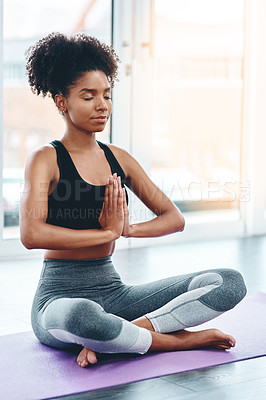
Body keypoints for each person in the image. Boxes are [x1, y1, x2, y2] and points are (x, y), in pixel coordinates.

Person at [20, 32, 247, 368]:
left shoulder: (119, 158)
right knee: (86, 317)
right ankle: (175, 341)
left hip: (114, 292)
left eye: (106, 96)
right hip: (59, 298)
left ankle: (131, 334)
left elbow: (173, 218)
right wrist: (106, 234)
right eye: (88, 96)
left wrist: (127, 230)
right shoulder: (45, 159)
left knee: (228, 282)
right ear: (61, 101)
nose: (102, 105)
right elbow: (31, 234)